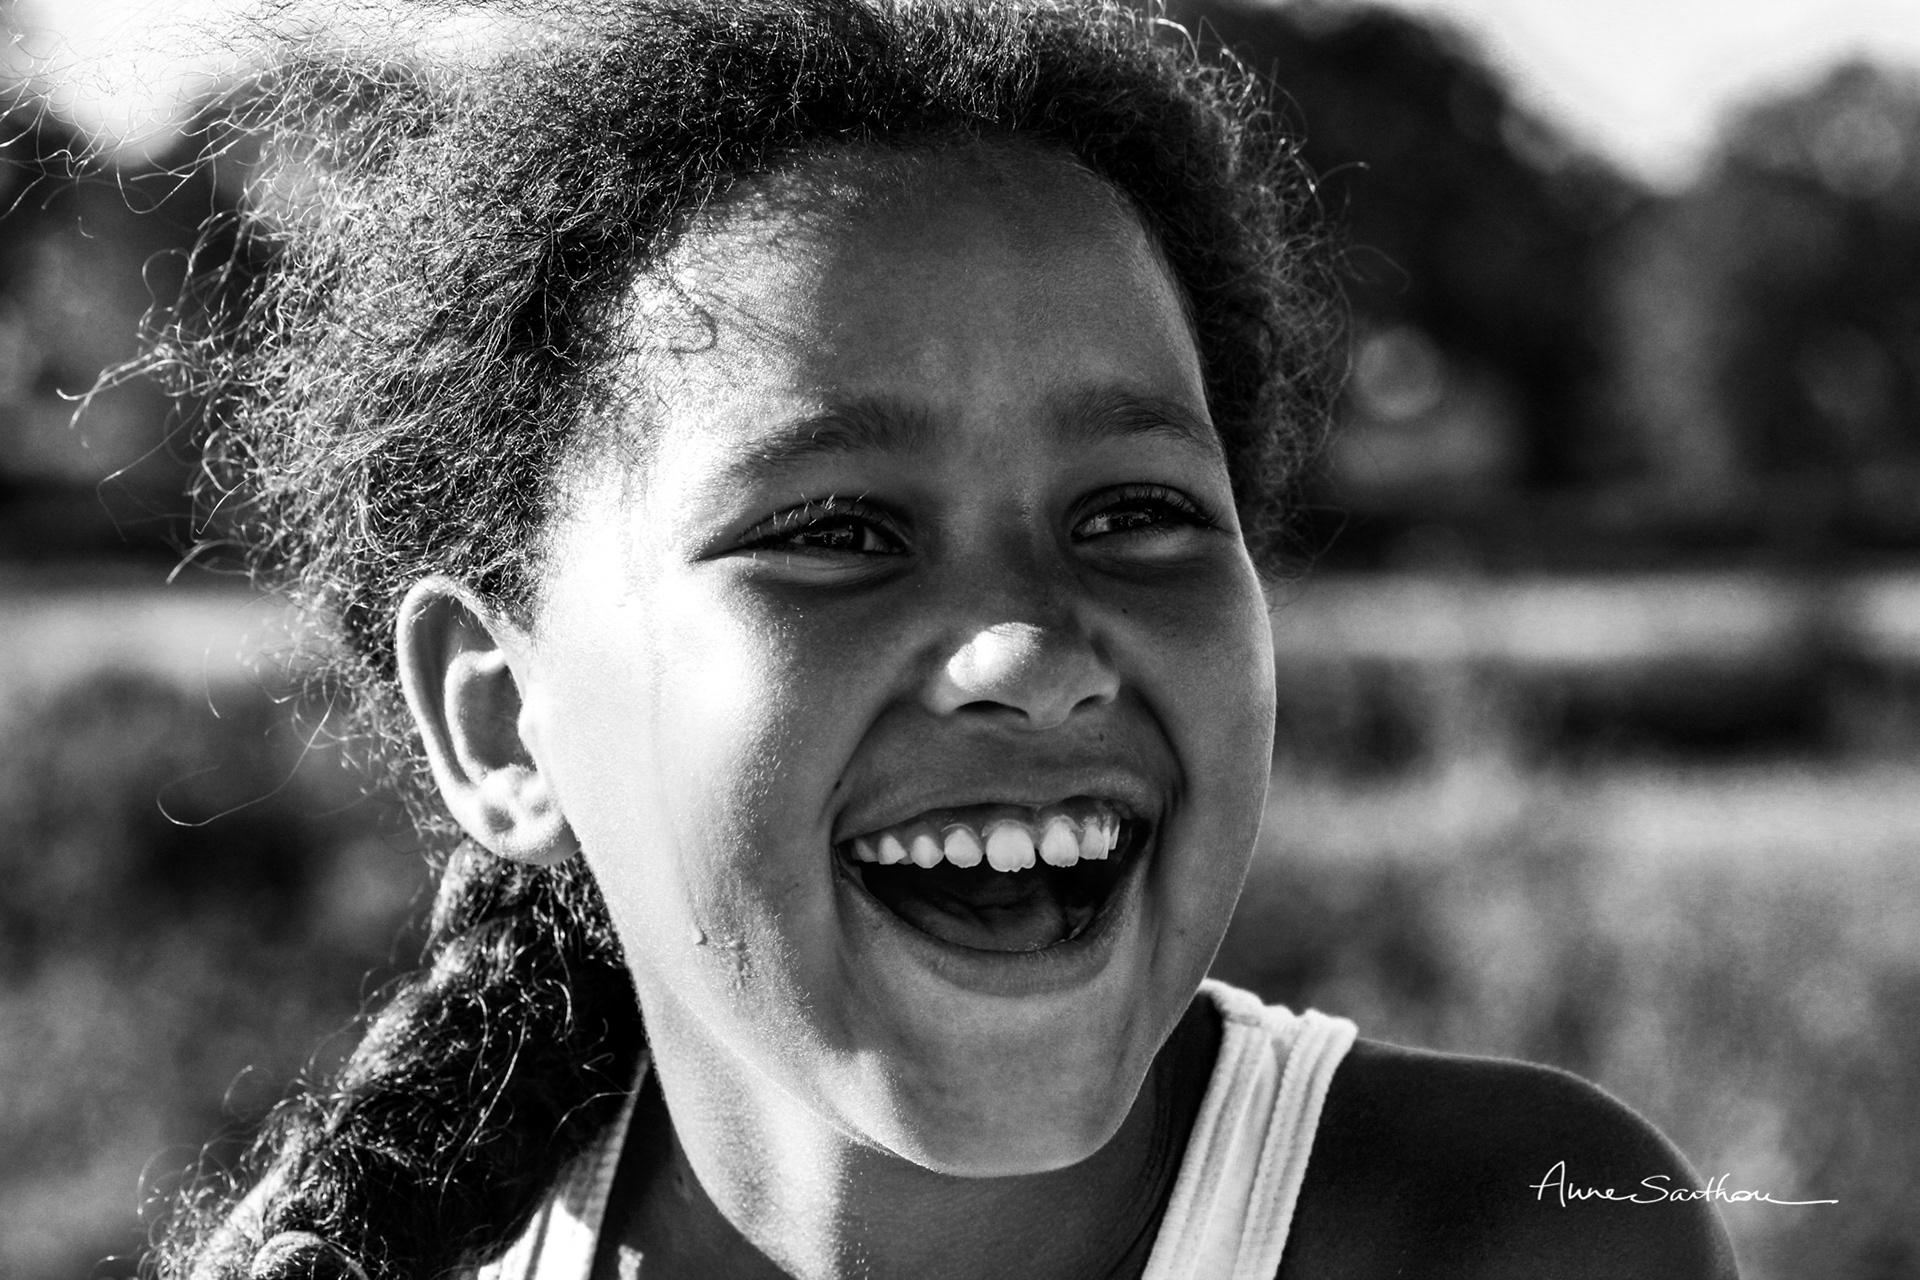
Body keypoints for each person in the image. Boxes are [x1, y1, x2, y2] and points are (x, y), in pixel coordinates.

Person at [145, 2, 1739, 1277]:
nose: (1034, 654)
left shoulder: (1511, 1235)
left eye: (1134, 511)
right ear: (499, 723)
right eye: (838, 533)